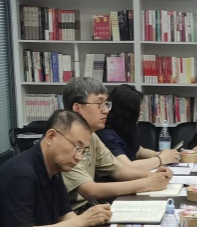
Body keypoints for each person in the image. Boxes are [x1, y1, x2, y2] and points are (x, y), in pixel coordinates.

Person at [62, 77, 172, 209]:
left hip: (92, 207)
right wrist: (147, 183)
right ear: (77, 108)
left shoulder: (92, 136)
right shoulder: (64, 141)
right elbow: (91, 190)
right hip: (75, 213)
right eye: (99, 104)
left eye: (106, 104)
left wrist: (155, 175)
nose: (106, 110)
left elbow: (119, 170)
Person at [99, 84, 181, 169]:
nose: (139, 117)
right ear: (128, 114)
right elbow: (127, 167)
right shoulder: (107, 136)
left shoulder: (122, 128)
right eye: (138, 112)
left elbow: (139, 151)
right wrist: (161, 159)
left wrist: (160, 154)